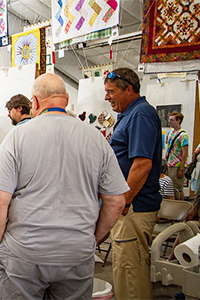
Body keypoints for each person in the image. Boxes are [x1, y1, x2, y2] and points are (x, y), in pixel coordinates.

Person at [0, 73, 128, 299]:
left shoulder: (17, 136)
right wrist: (93, 239)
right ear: (66, 99)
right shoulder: (96, 138)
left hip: (25, 251)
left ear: (35, 102)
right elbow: (116, 201)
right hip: (76, 252)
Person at [105, 68, 162, 300]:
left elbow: (142, 165)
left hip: (134, 208)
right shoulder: (131, 115)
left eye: (111, 92)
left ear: (129, 89)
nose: (107, 97)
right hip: (129, 206)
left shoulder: (140, 115)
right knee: (125, 270)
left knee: (131, 276)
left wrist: (123, 201)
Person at [165, 112, 189, 200]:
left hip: (177, 165)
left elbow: (185, 153)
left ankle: (180, 206)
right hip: (169, 163)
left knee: (178, 188)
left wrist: (181, 168)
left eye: (172, 120)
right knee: (170, 187)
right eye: (169, 120)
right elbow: (168, 148)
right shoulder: (170, 132)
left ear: (178, 121)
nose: (170, 122)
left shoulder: (183, 135)